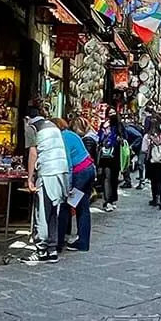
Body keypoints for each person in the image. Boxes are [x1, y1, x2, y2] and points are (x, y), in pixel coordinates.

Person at [22, 106, 69, 264]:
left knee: (41, 211)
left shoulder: (31, 128)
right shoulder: (52, 125)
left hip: (47, 171)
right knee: (52, 211)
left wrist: (29, 178)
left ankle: (42, 249)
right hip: (61, 170)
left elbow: (33, 153)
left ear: (27, 119)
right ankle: (52, 249)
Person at [55, 118, 96, 252]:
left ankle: (58, 242)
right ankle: (83, 242)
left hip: (80, 174)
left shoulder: (62, 138)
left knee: (66, 206)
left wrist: (68, 185)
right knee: (83, 206)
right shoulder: (71, 134)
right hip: (89, 169)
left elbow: (68, 163)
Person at [96, 112, 124, 212]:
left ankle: (110, 200)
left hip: (110, 156)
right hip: (109, 157)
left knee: (111, 178)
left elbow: (99, 139)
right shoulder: (110, 126)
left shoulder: (114, 126)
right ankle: (108, 201)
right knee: (109, 178)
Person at [142, 116, 161, 210]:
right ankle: (159, 198)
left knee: (153, 180)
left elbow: (144, 149)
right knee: (160, 180)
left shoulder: (147, 137)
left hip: (151, 161)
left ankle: (154, 198)